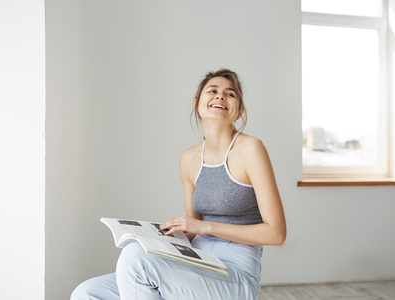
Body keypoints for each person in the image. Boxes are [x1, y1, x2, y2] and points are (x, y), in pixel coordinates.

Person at [71, 68, 286, 300]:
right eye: (212, 91)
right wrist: (158, 238)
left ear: (240, 110)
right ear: (196, 104)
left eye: (230, 94)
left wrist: (206, 227)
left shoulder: (251, 149)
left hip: (235, 274)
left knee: (135, 259)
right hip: (194, 263)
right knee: (88, 293)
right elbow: (191, 232)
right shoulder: (189, 159)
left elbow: (276, 234)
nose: (220, 96)